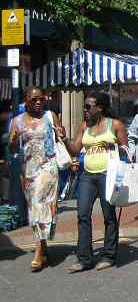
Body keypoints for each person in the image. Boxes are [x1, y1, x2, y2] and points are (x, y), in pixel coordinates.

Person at [63, 91, 128, 273]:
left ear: (100, 108)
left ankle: (108, 255)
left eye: (88, 106)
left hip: (108, 175)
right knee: (83, 214)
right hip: (87, 176)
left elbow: (126, 150)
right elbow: (76, 150)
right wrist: (64, 138)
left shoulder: (114, 125)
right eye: (84, 106)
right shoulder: (84, 126)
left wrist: (114, 148)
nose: (85, 109)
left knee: (109, 216)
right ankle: (84, 259)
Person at [8, 87, 63, 271]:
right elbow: (13, 148)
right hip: (28, 170)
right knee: (35, 206)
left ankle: (38, 252)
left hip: (47, 167)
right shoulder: (17, 120)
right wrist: (13, 141)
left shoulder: (50, 116)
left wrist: (61, 133)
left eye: (41, 99)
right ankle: (44, 245)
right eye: (34, 100)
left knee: (39, 205)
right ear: (26, 101)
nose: (38, 102)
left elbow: (60, 137)